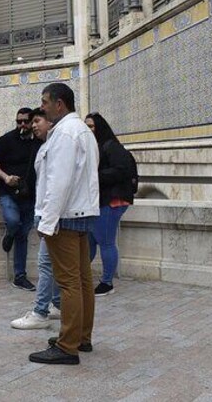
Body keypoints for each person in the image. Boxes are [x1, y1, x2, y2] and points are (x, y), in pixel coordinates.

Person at [28, 83, 100, 365]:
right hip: (79, 213)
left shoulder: (65, 133)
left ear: (60, 104)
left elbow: (59, 182)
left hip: (65, 216)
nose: (42, 107)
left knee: (69, 282)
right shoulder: (80, 131)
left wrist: (47, 222)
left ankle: (67, 345)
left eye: (45, 102)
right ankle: (81, 336)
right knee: (82, 280)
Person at [11, 108, 61, 330]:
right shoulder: (44, 146)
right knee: (53, 265)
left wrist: (46, 220)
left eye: (37, 120)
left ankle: (40, 311)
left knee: (46, 264)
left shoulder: (57, 145)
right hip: (47, 212)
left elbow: (57, 186)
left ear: (50, 122)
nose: (32, 125)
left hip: (51, 215)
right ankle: (57, 304)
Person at [0, 107, 41, 291]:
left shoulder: (39, 142)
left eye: (26, 121)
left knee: (23, 235)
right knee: (12, 222)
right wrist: (5, 177)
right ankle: (8, 234)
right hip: (8, 192)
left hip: (30, 195)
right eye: (19, 121)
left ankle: (20, 276)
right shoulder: (6, 140)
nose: (22, 125)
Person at [85, 112, 134, 297]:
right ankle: (81, 276)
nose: (88, 130)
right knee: (89, 239)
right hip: (100, 201)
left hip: (111, 201)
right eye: (86, 126)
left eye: (91, 126)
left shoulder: (111, 147)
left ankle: (107, 282)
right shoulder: (97, 146)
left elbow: (121, 171)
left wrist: (94, 177)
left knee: (105, 241)